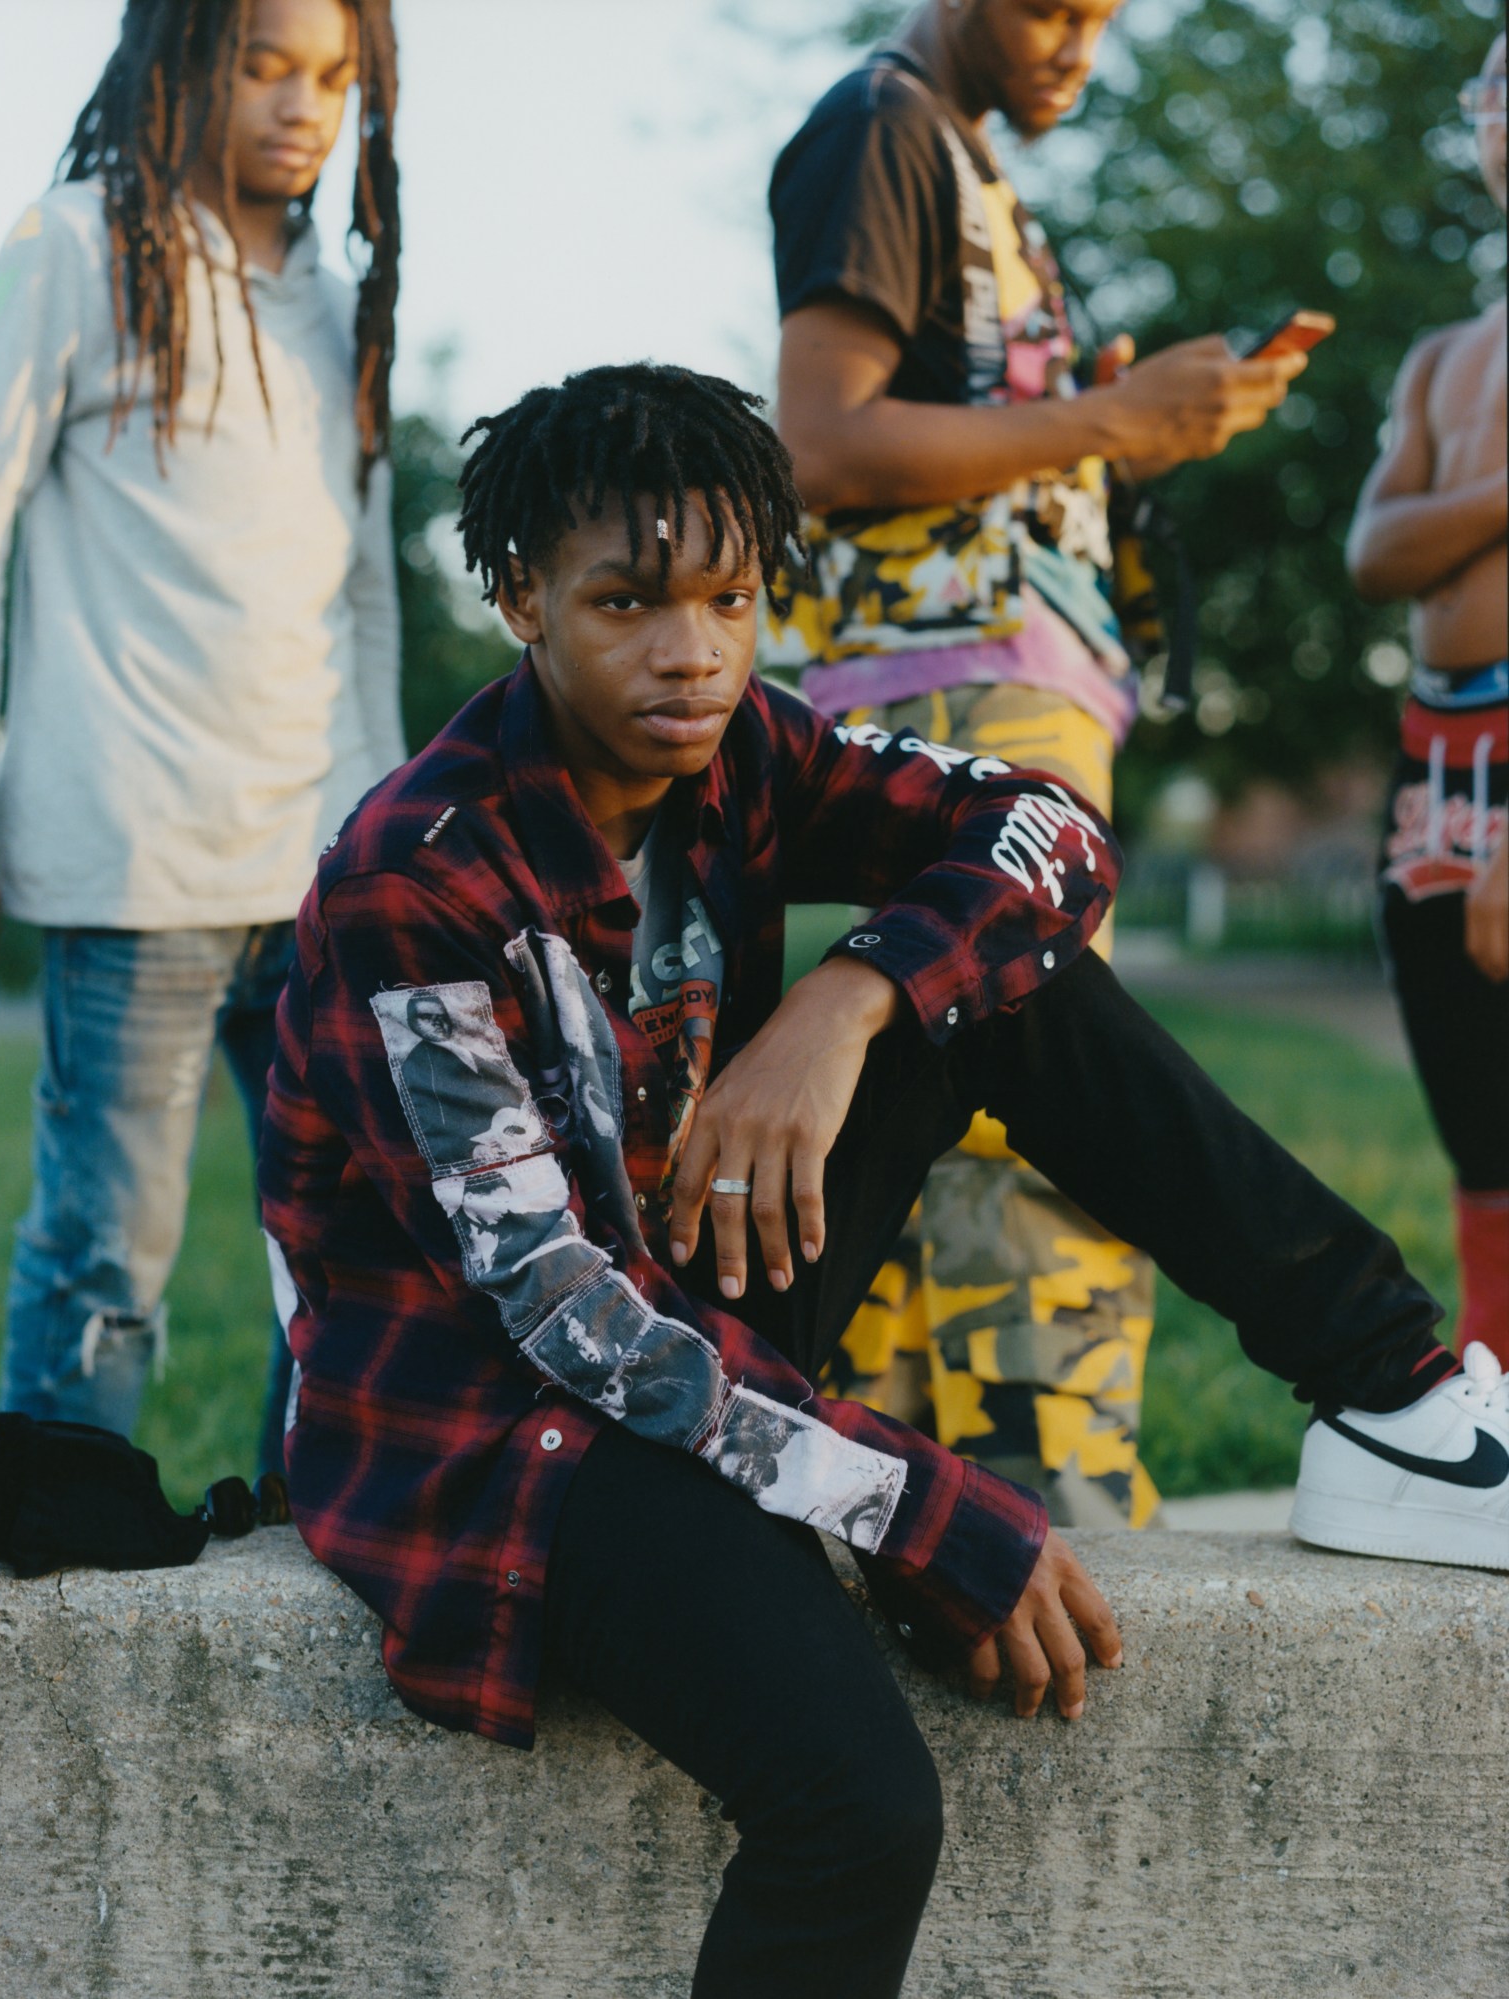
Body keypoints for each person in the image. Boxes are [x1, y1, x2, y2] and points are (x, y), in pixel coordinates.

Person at [257, 363, 1505, 1999]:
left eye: (727, 597)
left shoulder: (744, 755)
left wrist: (848, 1002)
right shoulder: (412, 884)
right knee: (858, 1804)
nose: (690, 652)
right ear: (520, 602)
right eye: (626, 602)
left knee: (1001, 971)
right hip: (508, 1431)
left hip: (685, 1303)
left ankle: (1393, 1397)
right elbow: (563, 1318)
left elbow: (1048, 831)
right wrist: (917, 1507)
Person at [764, 0, 1308, 1528]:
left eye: (1102, 13)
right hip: (960, 708)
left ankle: (928, 1502)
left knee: (968, 1123)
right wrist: (1104, 416)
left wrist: (1108, 429)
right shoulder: (880, 129)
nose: (1080, 39)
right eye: (1050, 7)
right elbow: (818, 439)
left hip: (1007, 690)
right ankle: (1045, 1509)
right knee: (1041, 1128)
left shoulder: (960, 160)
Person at [0, 0, 405, 1473]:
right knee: (106, 1261)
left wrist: (382, 846)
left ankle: (302, 1552)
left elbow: (365, 590)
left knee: (359, 1256)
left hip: (320, 873)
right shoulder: (70, 246)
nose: (302, 105)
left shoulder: (340, 299)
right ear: (174, 59)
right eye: (264, 64)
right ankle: (67, 1581)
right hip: (135, 864)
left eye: (334, 78)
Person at [1345, 32, 1508, 1369]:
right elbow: (1374, 553)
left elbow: (1414, 532)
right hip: (1436, 743)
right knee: (1474, 1102)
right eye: (1497, 95)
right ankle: (1498, 1378)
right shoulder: (1448, 360)